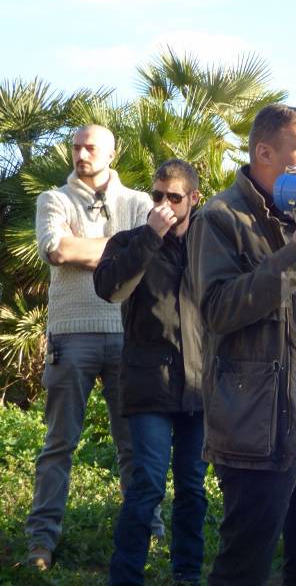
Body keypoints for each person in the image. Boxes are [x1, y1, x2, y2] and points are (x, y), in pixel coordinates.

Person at [187, 103, 296, 585]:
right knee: (246, 564)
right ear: (265, 152)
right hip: (259, 426)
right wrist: (295, 255)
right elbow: (219, 308)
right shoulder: (220, 218)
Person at [27, 125, 163, 570]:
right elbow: (58, 250)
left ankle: (152, 536)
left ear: (111, 153)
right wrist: (132, 246)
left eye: (91, 147)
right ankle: (41, 543)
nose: (81, 154)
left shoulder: (140, 201)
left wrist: (111, 249)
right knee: (58, 444)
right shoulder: (54, 199)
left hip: (130, 335)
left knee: (135, 445)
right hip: (72, 333)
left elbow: (157, 254)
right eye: (76, 147)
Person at [93, 159, 207, 585]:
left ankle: (187, 573)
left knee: (193, 488)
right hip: (148, 385)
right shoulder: (128, 242)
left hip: (199, 387)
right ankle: (126, 577)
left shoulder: (208, 244)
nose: (163, 204)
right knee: (147, 486)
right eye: (157, 195)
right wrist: (151, 238)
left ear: (193, 199)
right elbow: (109, 289)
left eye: (174, 197)